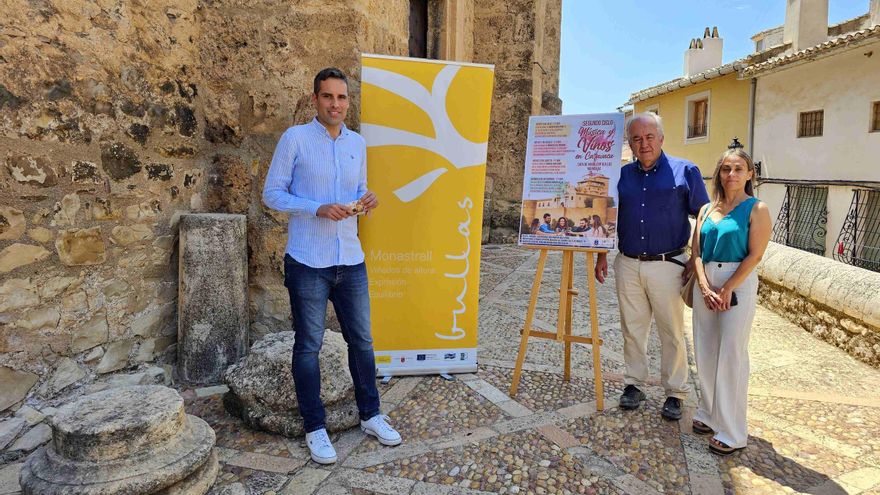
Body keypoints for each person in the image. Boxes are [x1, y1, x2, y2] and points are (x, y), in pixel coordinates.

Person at [262, 67, 401, 465]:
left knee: (363, 342)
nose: (335, 104)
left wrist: (365, 200)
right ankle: (315, 427)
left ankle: (371, 415)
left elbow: (356, 191)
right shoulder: (295, 139)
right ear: (314, 100)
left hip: (350, 258)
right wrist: (315, 208)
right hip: (308, 260)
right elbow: (272, 193)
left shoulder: (357, 144)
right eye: (328, 97)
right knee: (308, 346)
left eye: (342, 98)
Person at [594, 112, 709, 420]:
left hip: (668, 264)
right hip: (628, 263)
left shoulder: (685, 171)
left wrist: (695, 258)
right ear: (629, 142)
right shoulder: (622, 176)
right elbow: (609, 216)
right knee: (632, 328)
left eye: (648, 137)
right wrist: (602, 254)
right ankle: (634, 384)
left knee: (671, 331)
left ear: (661, 139)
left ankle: (675, 391)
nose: (642, 144)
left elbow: (704, 217)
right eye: (636, 138)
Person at [690, 149, 770, 455]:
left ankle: (734, 431)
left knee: (732, 355)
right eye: (725, 169)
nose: (731, 175)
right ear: (719, 173)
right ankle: (709, 413)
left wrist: (727, 288)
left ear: (749, 174)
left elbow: (756, 255)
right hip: (706, 281)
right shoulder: (707, 210)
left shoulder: (756, 208)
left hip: (737, 280)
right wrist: (703, 284)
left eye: (738, 169)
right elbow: (696, 252)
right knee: (705, 351)